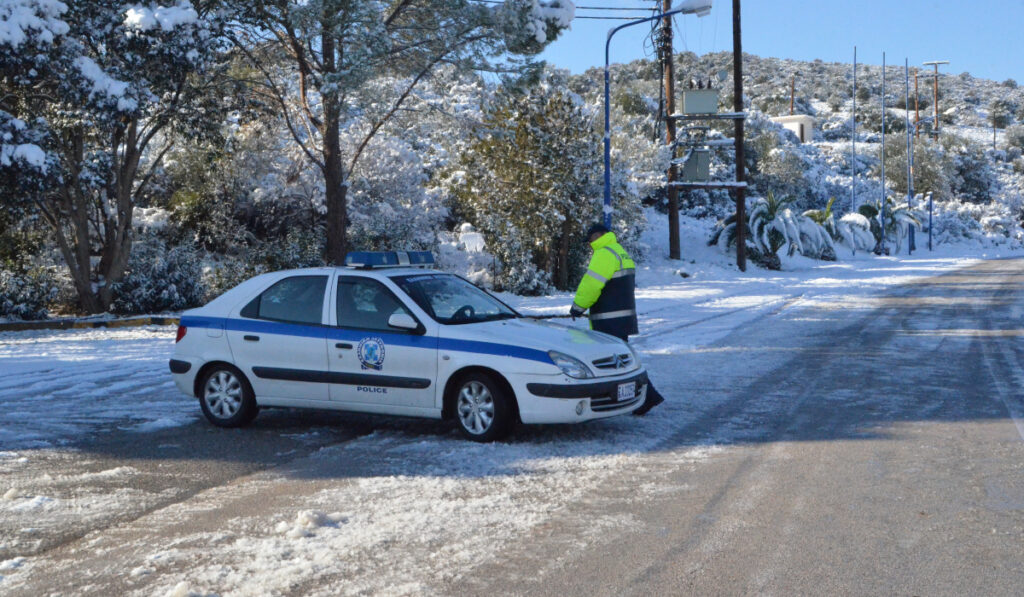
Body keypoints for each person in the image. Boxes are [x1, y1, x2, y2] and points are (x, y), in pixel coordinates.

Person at [570, 223, 665, 416]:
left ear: (596, 236)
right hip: (622, 317)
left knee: (615, 364)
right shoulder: (619, 251)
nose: (589, 245)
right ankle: (644, 398)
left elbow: (591, 285)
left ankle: (646, 398)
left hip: (608, 319)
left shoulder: (604, 254)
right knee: (622, 363)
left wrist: (578, 307)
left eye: (589, 240)